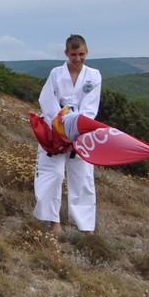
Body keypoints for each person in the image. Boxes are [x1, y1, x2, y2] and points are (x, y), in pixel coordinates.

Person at [34, 35, 102, 234]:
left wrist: (75, 127)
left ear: (87, 52)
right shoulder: (56, 74)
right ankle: (53, 221)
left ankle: (86, 226)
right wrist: (60, 126)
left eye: (81, 54)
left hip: (81, 131)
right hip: (54, 129)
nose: (77, 58)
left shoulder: (94, 75)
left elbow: (90, 106)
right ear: (66, 53)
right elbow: (47, 100)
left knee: (83, 177)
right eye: (73, 54)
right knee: (53, 174)